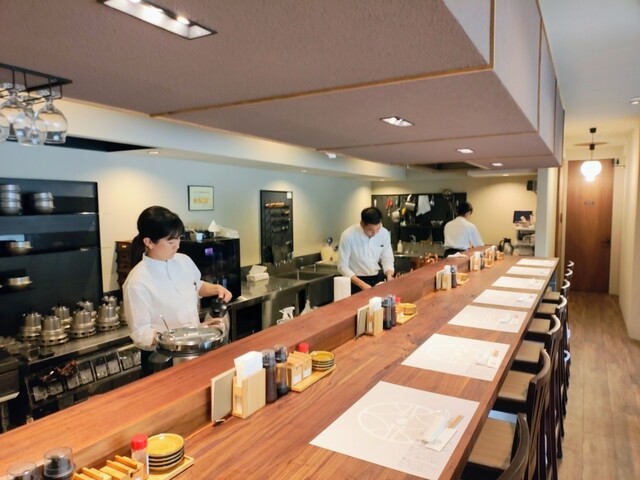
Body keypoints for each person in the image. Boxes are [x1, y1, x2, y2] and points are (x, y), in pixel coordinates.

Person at [123, 206, 232, 365]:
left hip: (196, 348)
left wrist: (216, 289)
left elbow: (196, 285)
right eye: (171, 242)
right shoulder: (137, 281)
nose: (177, 246)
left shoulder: (183, 261)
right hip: (164, 358)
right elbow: (141, 333)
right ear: (149, 242)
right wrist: (185, 336)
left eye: (179, 239)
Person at [338, 207, 395, 294]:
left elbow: (387, 258)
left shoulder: (384, 233)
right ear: (362, 224)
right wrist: (362, 285)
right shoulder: (348, 236)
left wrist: (389, 275)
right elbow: (342, 267)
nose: (375, 233)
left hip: (375, 279)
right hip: (355, 281)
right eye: (371, 230)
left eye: (378, 229)